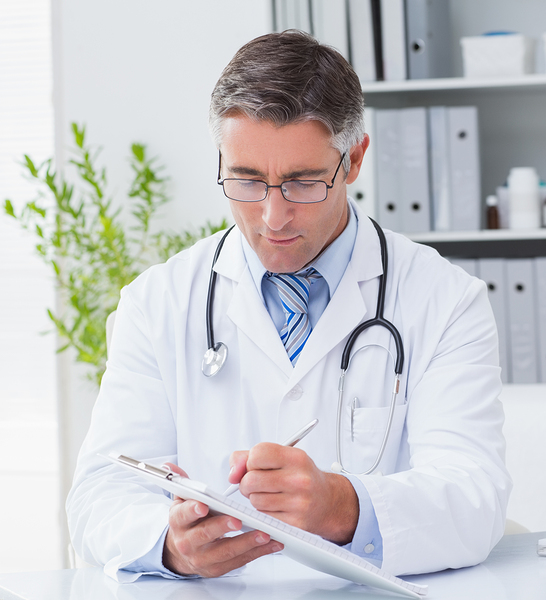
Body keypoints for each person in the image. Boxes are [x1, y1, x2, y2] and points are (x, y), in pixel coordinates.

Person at [66, 30, 510, 581]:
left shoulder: (443, 299)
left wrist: (341, 506)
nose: (273, 217)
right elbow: (98, 495)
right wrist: (169, 544)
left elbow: (475, 497)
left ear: (353, 160)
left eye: (302, 183)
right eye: (247, 181)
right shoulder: (157, 303)